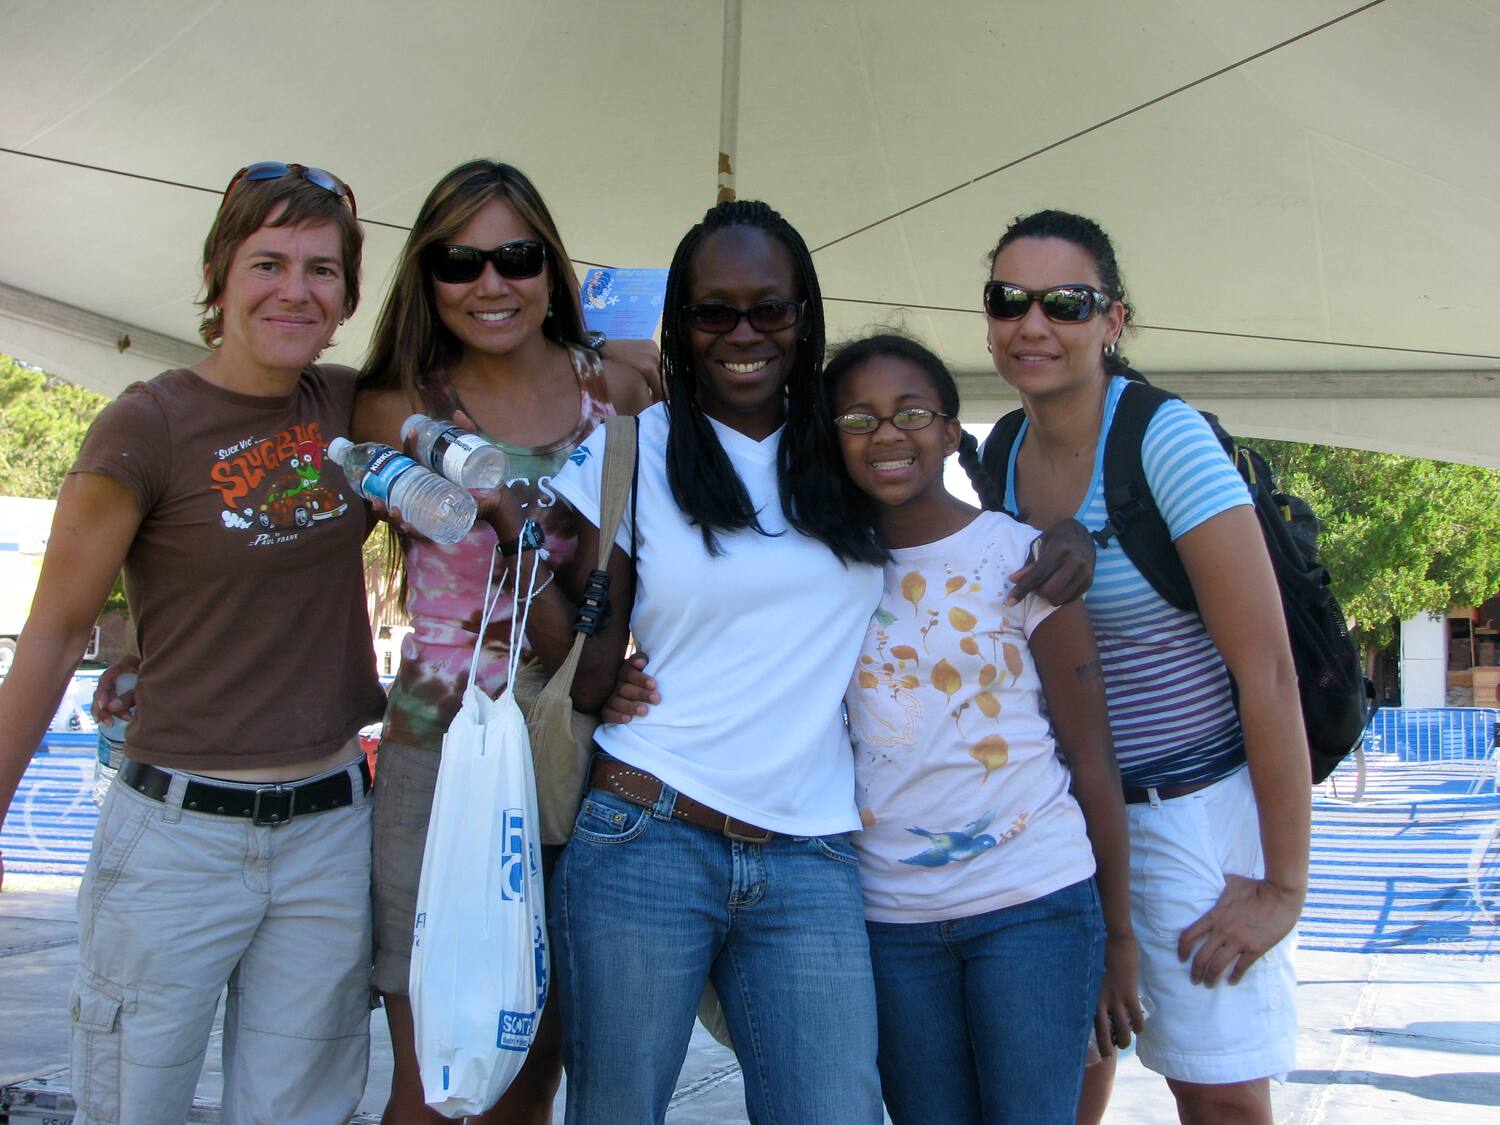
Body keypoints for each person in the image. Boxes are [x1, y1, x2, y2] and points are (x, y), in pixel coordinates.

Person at [0, 163, 387, 1123]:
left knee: (301, 1110)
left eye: (322, 269)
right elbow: (52, 635)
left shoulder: (350, 404)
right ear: (219, 278)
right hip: (177, 839)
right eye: (268, 262)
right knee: (133, 1106)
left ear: (346, 297)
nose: (295, 289)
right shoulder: (149, 422)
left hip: (330, 835)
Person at [964, 210, 1309, 1125]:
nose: (1033, 324)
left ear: (1113, 320)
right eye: (1009, 300)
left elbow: (1267, 670)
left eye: (1065, 303)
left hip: (1188, 810)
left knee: (1220, 1094)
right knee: (1061, 1078)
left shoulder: (1165, 440)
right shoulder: (1000, 451)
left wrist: (1281, 887)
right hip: (1068, 818)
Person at [351, 159, 654, 1125]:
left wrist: (646, 667)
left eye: (516, 257)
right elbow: (295, 563)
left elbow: (673, 560)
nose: (491, 284)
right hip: (436, 744)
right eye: (460, 262)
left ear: (551, 267)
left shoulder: (623, 389)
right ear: (427, 277)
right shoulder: (394, 404)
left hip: (585, 746)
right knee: (438, 1080)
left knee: (531, 1076)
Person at [821, 333, 1141, 1123]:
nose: (888, 434)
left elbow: (1091, 755)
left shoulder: (1023, 556)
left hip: (1034, 902)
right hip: (890, 919)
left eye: (912, 412)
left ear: (951, 428)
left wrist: (1121, 938)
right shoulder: (818, 569)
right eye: (858, 417)